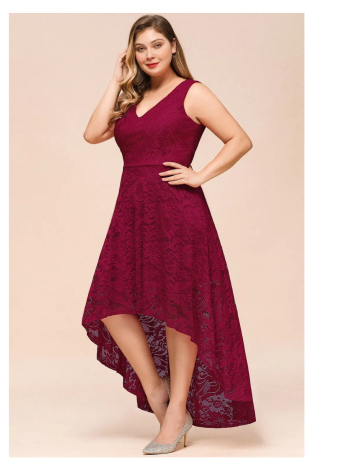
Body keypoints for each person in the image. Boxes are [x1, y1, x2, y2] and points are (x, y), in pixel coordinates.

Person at [82, 14, 256, 455]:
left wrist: (200, 175)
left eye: (157, 45)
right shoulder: (131, 97)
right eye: (140, 48)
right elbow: (93, 134)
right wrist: (116, 79)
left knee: (180, 310)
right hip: (132, 215)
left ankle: (177, 410)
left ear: (173, 46)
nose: (149, 55)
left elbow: (239, 139)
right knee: (110, 305)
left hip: (179, 215)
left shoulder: (193, 92)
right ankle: (157, 390)